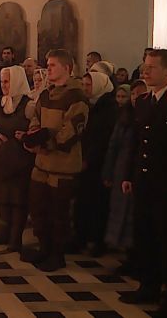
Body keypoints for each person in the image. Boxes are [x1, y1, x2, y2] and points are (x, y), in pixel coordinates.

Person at [120, 50, 167, 316]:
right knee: (145, 235)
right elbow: (137, 142)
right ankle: (148, 286)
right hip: (144, 181)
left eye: (152, 68)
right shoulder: (143, 101)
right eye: (144, 67)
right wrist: (130, 175)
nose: (145, 72)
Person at [20, 49, 89, 272]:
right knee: (39, 209)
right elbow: (35, 120)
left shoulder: (77, 97)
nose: (47, 69)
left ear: (67, 69)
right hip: (41, 164)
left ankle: (57, 255)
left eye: (52, 65)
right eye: (47, 65)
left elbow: (69, 132)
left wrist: (44, 143)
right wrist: (32, 139)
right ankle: (44, 248)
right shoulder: (46, 94)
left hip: (62, 165)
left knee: (58, 213)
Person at [0, 65, 35, 252]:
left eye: (7, 81)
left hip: (22, 159)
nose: (4, 85)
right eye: (2, 81)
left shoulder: (29, 104)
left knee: (18, 199)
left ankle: (16, 238)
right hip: (4, 158)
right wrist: (0, 138)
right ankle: (3, 232)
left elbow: (35, 126)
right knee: (3, 196)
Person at [71, 72, 117, 257]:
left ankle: (98, 241)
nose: (85, 88)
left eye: (89, 85)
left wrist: (87, 159)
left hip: (98, 164)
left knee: (98, 204)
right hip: (84, 160)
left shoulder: (109, 108)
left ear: (99, 85)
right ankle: (81, 237)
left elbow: (103, 139)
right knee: (82, 202)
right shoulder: (89, 105)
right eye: (83, 84)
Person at [102, 83, 140, 276]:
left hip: (137, 175)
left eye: (137, 94)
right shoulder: (124, 117)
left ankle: (137, 258)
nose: (134, 98)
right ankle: (127, 255)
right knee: (121, 215)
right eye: (132, 94)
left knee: (135, 219)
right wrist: (108, 172)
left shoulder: (147, 116)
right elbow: (113, 146)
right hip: (121, 172)